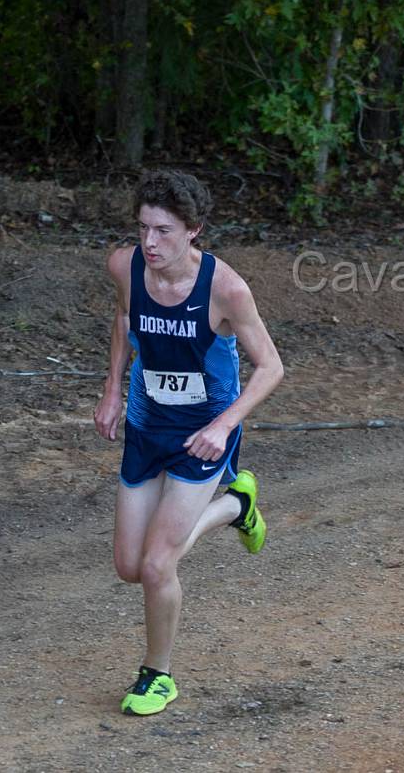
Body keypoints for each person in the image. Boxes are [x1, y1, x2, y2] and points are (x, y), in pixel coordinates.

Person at [94, 170, 284, 716]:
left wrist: (225, 426)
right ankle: (237, 504)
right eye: (143, 228)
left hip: (202, 437)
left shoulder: (226, 290)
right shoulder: (125, 266)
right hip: (146, 430)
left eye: (164, 231)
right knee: (129, 566)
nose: (149, 243)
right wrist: (112, 390)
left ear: (194, 230)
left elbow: (271, 367)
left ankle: (158, 676)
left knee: (158, 566)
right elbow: (125, 316)